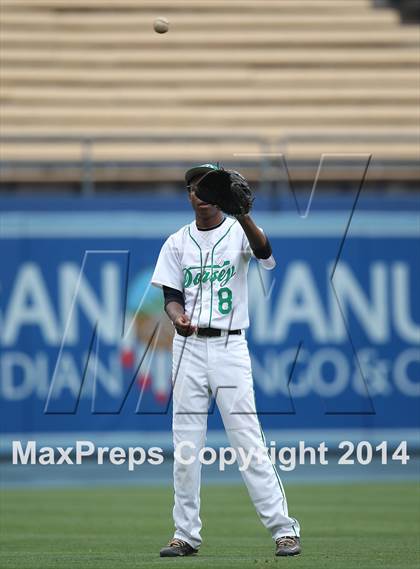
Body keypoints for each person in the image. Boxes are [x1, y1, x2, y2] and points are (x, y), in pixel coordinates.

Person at [151, 163, 301, 558]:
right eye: (192, 187)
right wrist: (176, 317)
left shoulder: (237, 231)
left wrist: (245, 214)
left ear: (219, 193)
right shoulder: (176, 242)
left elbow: (267, 256)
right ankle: (185, 534)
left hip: (229, 347)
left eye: (205, 186)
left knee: (248, 443)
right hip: (188, 349)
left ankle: (284, 530)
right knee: (185, 448)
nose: (198, 193)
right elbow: (170, 296)